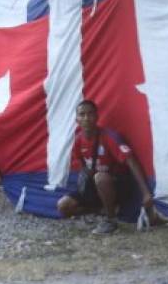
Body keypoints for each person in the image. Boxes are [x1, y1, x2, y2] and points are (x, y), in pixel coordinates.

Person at [57, 100, 155, 235]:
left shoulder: (109, 137)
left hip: (118, 184)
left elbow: (131, 161)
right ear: (77, 119)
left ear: (97, 116)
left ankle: (111, 220)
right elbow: (84, 166)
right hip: (96, 185)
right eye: (82, 114)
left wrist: (145, 193)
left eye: (90, 114)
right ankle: (102, 210)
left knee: (100, 177)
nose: (86, 118)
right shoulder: (78, 141)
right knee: (63, 206)